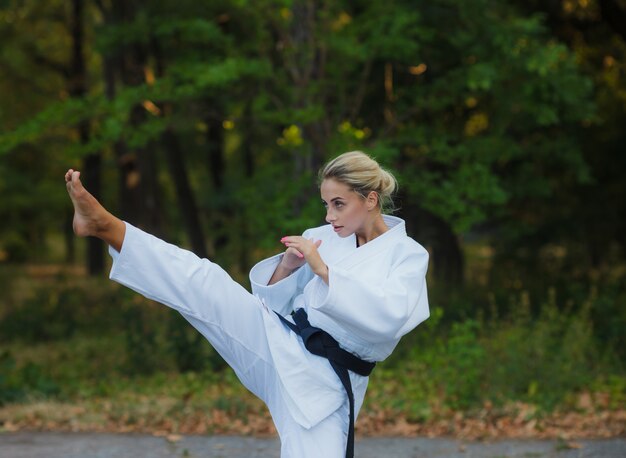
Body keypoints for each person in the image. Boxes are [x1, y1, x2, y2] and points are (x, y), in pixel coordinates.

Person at [64, 150, 430, 458]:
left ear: (370, 200)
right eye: (325, 204)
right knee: (204, 282)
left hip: (328, 385)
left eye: (338, 204)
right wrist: (288, 267)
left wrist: (324, 273)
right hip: (280, 345)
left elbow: (390, 318)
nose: (328, 216)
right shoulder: (324, 237)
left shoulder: (407, 255)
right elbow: (270, 302)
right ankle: (105, 225)